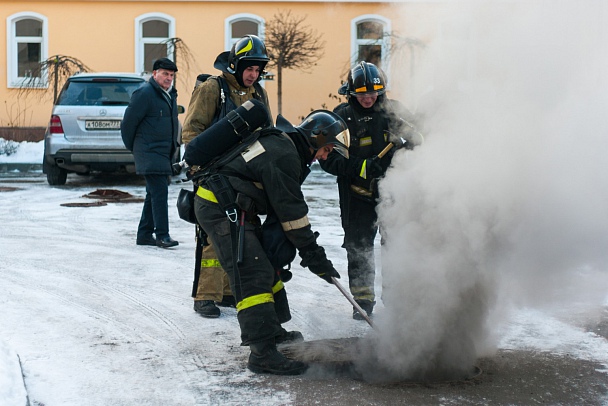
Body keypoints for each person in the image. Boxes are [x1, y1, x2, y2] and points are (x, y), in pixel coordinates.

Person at [187, 105, 349, 375]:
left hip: (235, 206)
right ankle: (262, 353)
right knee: (252, 273)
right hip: (220, 208)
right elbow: (292, 213)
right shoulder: (283, 154)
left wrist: (306, 251)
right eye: (327, 149)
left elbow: (284, 210)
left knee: (265, 266)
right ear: (317, 139)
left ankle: (272, 332)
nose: (324, 156)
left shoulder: (285, 147)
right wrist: (313, 254)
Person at [319, 61, 421, 320]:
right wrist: (363, 166)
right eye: (362, 93)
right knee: (359, 246)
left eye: (373, 93)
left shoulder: (393, 111)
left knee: (396, 245)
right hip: (357, 196)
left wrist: (412, 143)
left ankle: (396, 296)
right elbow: (329, 159)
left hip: (393, 195)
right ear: (352, 93)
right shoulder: (341, 117)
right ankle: (363, 301)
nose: (368, 98)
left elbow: (420, 136)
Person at [181, 35, 273, 318]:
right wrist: (200, 167)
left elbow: (266, 131)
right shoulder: (213, 88)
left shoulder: (258, 94)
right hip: (214, 172)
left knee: (243, 231)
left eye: (258, 70)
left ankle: (231, 292)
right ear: (235, 65)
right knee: (213, 235)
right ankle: (205, 296)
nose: (253, 75)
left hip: (245, 173)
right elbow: (192, 130)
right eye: (249, 68)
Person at [121, 57, 181, 248]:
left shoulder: (169, 95)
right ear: (154, 74)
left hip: (163, 152)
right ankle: (162, 235)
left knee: (153, 194)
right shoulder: (144, 94)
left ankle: (145, 234)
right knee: (160, 193)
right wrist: (136, 148)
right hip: (149, 151)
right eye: (165, 74)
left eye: (171, 75)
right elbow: (128, 124)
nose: (168, 78)